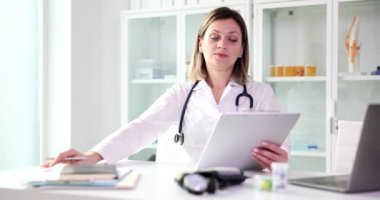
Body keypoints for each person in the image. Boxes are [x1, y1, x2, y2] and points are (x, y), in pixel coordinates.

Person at [42, 7, 289, 170]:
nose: (222, 44)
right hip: (186, 189)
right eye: (214, 37)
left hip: (242, 188)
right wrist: (94, 155)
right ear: (200, 44)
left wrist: (279, 158)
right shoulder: (182, 92)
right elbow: (143, 127)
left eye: (232, 39)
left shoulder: (260, 93)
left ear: (242, 49)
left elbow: (281, 144)